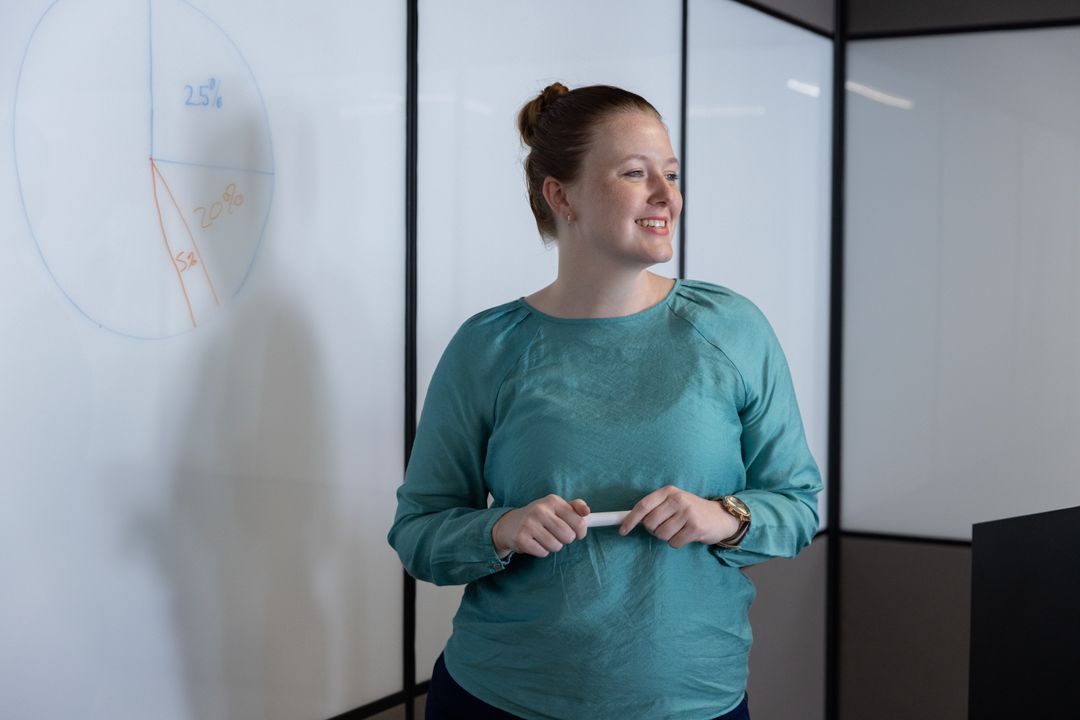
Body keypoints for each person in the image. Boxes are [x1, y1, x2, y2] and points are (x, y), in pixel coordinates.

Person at [388, 82, 822, 720]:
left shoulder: (732, 328)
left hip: (693, 703)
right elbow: (419, 531)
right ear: (561, 196)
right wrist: (501, 528)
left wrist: (720, 517)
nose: (666, 196)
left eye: (671, 175)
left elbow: (797, 505)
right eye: (634, 173)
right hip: (500, 699)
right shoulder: (488, 347)